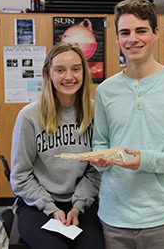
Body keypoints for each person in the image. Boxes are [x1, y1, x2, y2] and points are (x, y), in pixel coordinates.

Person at [92, 0, 164, 249]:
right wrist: (100, 160)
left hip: (160, 216)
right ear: (117, 39)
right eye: (125, 32)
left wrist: (146, 161)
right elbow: (100, 143)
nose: (132, 39)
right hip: (114, 217)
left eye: (141, 30)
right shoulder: (105, 91)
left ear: (156, 33)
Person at [10, 42, 104, 249]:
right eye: (60, 70)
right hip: (37, 206)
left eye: (76, 69)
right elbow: (20, 176)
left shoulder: (95, 112)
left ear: (84, 73)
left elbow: (95, 172)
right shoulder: (29, 117)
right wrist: (51, 209)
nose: (69, 76)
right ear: (48, 73)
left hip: (82, 204)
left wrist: (78, 207)